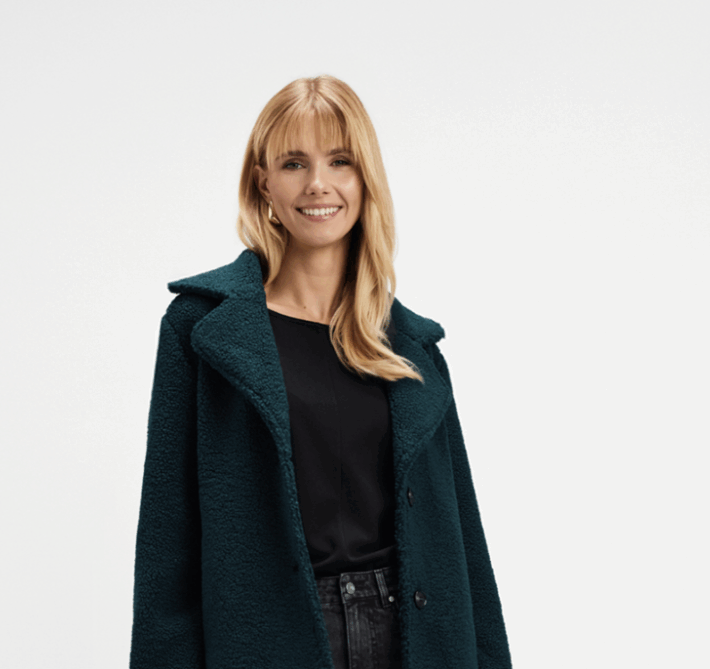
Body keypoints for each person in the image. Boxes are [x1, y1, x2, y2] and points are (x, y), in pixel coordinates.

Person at [129, 75, 512, 669]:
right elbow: (167, 543)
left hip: (415, 636)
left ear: (365, 178)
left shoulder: (411, 344)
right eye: (293, 163)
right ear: (264, 182)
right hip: (273, 636)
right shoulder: (201, 331)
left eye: (340, 161)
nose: (317, 184)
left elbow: (463, 537)